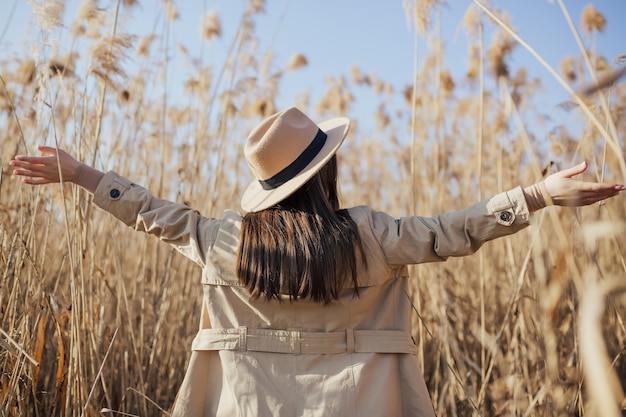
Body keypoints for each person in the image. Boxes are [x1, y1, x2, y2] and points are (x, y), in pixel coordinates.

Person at [9, 107, 624, 416]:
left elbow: (151, 212)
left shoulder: (224, 241)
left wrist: (81, 174)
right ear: (325, 170)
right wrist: (540, 195)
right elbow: (454, 232)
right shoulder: (373, 237)